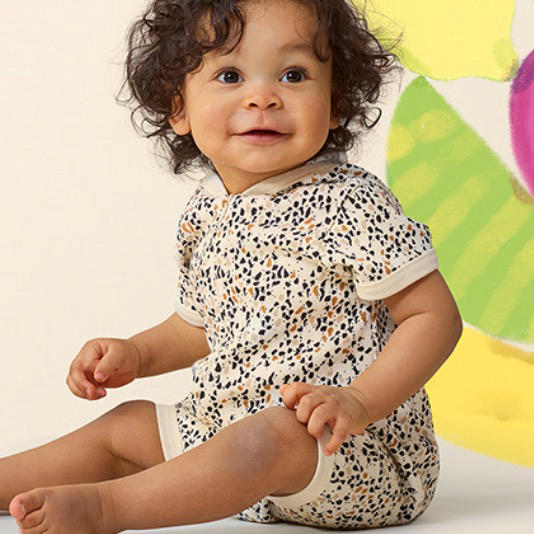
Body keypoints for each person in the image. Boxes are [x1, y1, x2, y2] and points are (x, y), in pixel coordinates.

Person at [3, 0, 463, 532]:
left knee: (273, 435)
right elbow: (199, 327)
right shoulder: (207, 211)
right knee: (127, 426)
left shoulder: (350, 202)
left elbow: (434, 317)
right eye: (230, 75)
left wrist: (358, 401)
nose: (263, 97)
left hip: (347, 453)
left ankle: (109, 508)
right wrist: (138, 353)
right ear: (178, 107)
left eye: (294, 75)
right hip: (226, 434)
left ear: (336, 101)